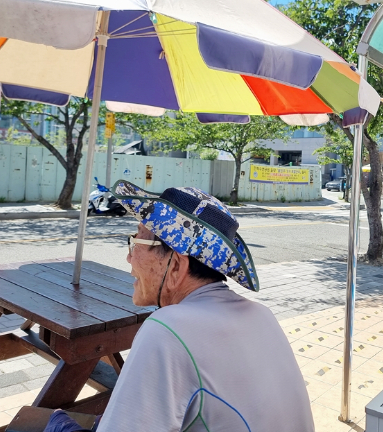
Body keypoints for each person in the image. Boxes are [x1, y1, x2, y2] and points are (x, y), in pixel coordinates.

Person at [50, 181, 315, 432]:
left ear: (176, 266)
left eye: (137, 241)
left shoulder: (167, 330)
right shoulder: (262, 315)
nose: (129, 256)